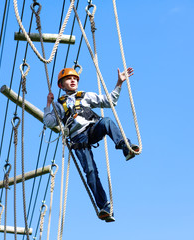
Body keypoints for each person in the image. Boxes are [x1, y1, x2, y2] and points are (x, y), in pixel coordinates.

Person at [43, 68, 139, 222]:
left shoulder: (86, 96)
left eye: (75, 78)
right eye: (68, 79)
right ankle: (104, 206)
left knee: (106, 121)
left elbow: (110, 101)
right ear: (61, 85)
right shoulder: (59, 105)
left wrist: (119, 83)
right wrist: (48, 104)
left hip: (92, 129)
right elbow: (49, 122)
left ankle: (125, 147)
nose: (73, 81)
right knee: (91, 172)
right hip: (77, 139)